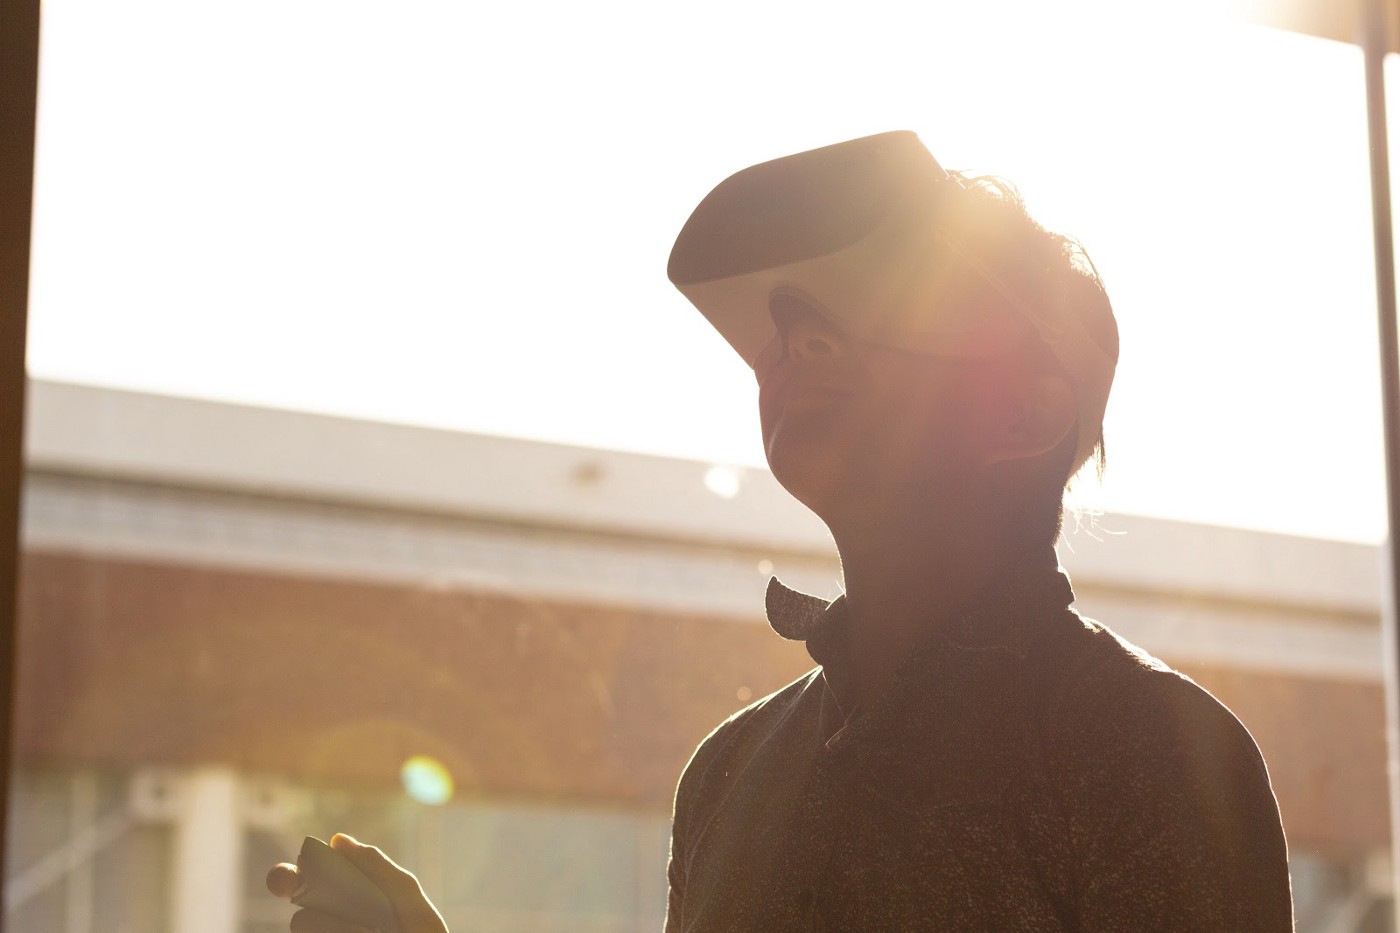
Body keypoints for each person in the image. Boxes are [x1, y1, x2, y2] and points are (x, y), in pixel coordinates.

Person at [268, 131, 1294, 931]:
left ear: (1021, 416)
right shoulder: (728, 771)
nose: (788, 356)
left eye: (856, 323)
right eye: (785, 338)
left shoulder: (1145, 749)